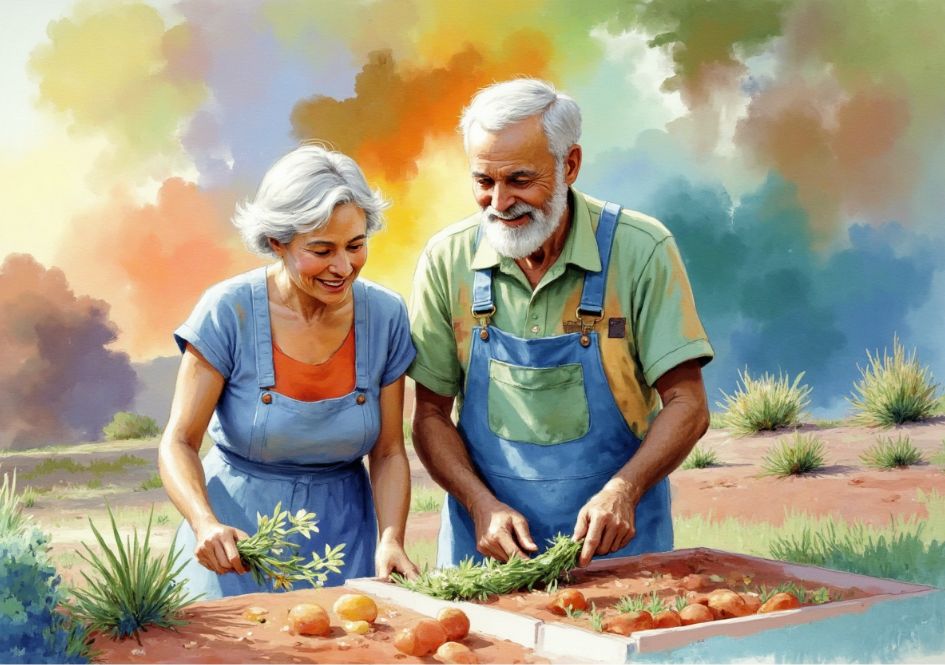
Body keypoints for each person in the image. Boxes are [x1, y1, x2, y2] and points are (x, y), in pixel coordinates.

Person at [408, 78, 714, 569]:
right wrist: (479, 504)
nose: (500, 202)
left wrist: (624, 490)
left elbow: (688, 405)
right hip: (485, 554)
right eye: (484, 182)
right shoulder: (448, 259)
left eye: (520, 180)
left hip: (618, 548)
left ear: (569, 164)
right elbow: (429, 416)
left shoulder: (641, 249)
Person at [159, 145, 419, 599]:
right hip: (234, 547)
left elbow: (389, 453)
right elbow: (178, 442)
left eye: (356, 246)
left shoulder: (386, 316)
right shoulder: (227, 310)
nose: (343, 267)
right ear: (278, 242)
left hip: (343, 539)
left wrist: (390, 537)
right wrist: (205, 523)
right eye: (321, 250)